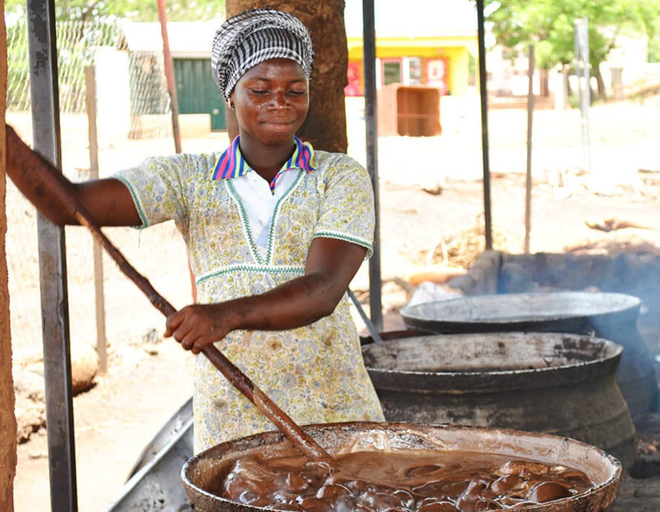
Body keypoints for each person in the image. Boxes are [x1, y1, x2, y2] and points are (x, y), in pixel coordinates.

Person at [5, 8, 384, 452]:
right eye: (260, 89)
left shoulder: (339, 177)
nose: (279, 102)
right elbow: (69, 204)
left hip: (334, 412)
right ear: (230, 93)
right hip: (235, 418)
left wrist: (225, 315)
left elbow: (323, 291)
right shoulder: (189, 180)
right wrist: (6, 140)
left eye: (295, 90)